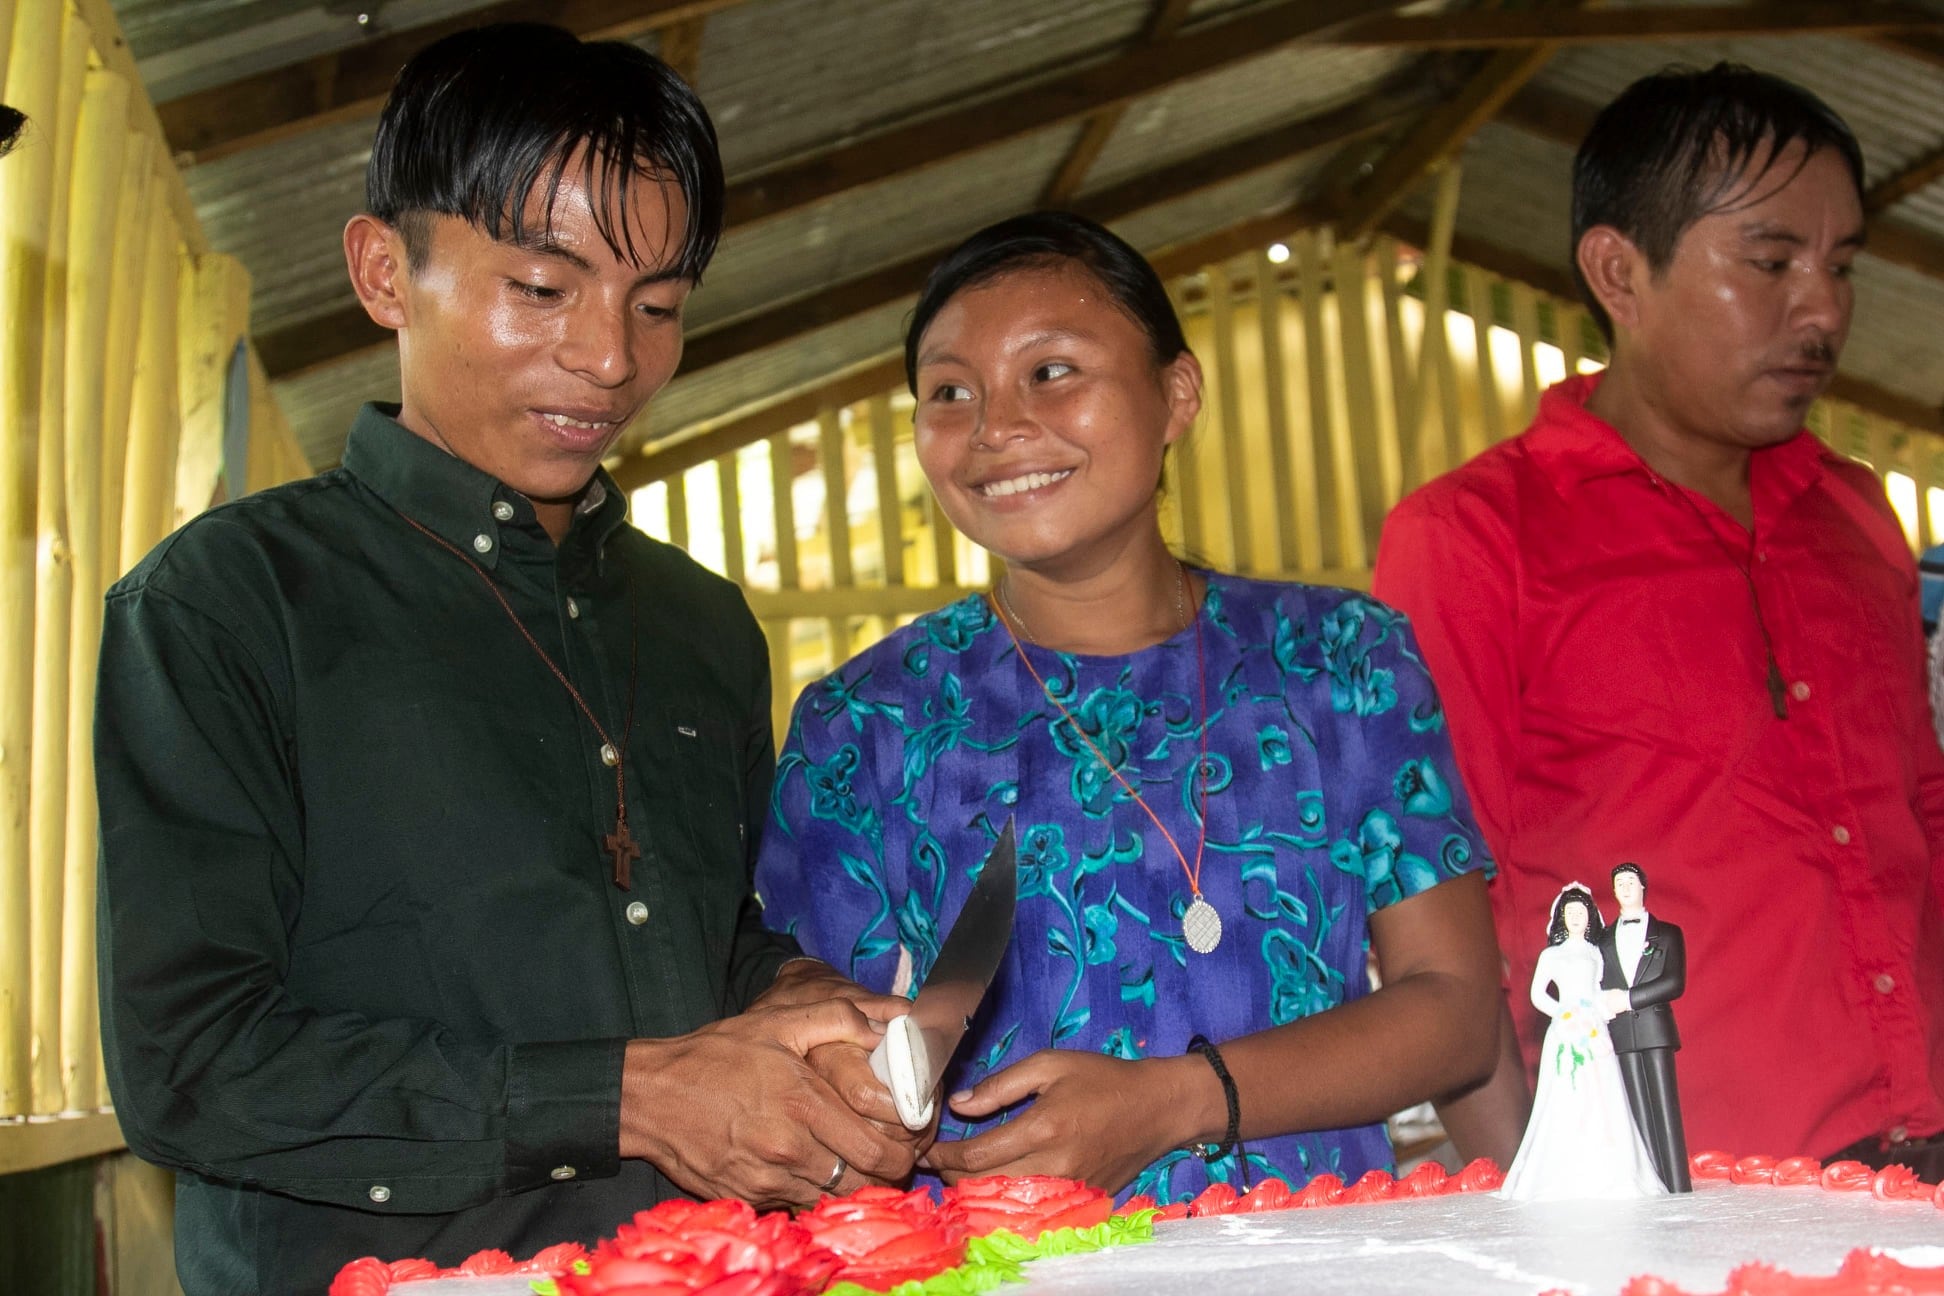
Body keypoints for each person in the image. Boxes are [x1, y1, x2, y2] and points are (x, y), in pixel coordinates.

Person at [95, 26, 917, 1294]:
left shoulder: (699, 626)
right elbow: (192, 1067)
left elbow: (707, 936)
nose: (610, 357)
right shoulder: (228, 603)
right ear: (383, 271)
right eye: (543, 288)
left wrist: (801, 999)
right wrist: (631, 1098)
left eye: (658, 306)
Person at [755, 212, 1502, 1204]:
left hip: (1315, 1260)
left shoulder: (1341, 660)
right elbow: (809, 1038)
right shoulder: (868, 722)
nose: (994, 426)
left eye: (1051, 370)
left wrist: (1176, 1101)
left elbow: (1454, 1013)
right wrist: (861, 1090)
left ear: (1176, 394)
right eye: (948, 391)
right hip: (1006, 1268)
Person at [1373, 63, 1944, 1177]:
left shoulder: (1855, 515)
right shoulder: (1477, 539)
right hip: (1680, 1200)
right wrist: (1550, 1206)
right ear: (1620, 272)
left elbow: (1921, 822)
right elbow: (1438, 921)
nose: (1823, 308)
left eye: (1840, 266)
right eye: (1771, 262)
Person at [1499, 884, 1662, 1202]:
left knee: (1603, 1095)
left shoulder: (1594, 953)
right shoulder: (1552, 955)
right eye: (1569, 912)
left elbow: (1597, 987)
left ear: (1590, 918)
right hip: (1566, 1032)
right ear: (1561, 917)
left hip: (1595, 1031)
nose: (1575, 917)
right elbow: (1537, 994)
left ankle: (1609, 1168)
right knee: (1566, 1095)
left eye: (1581, 912)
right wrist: (1564, 1014)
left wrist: (1603, 1008)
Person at [1596, 864, 1690, 1193]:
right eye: (1618, 882)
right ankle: (1651, 1187)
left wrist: (1629, 998)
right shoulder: (1601, 940)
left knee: (1665, 1109)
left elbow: (1674, 982)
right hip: (1619, 1035)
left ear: (1643, 887)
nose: (1624, 887)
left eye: (1630, 881)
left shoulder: (1668, 934)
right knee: (1636, 1114)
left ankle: (1678, 1187)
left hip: (1655, 1029)